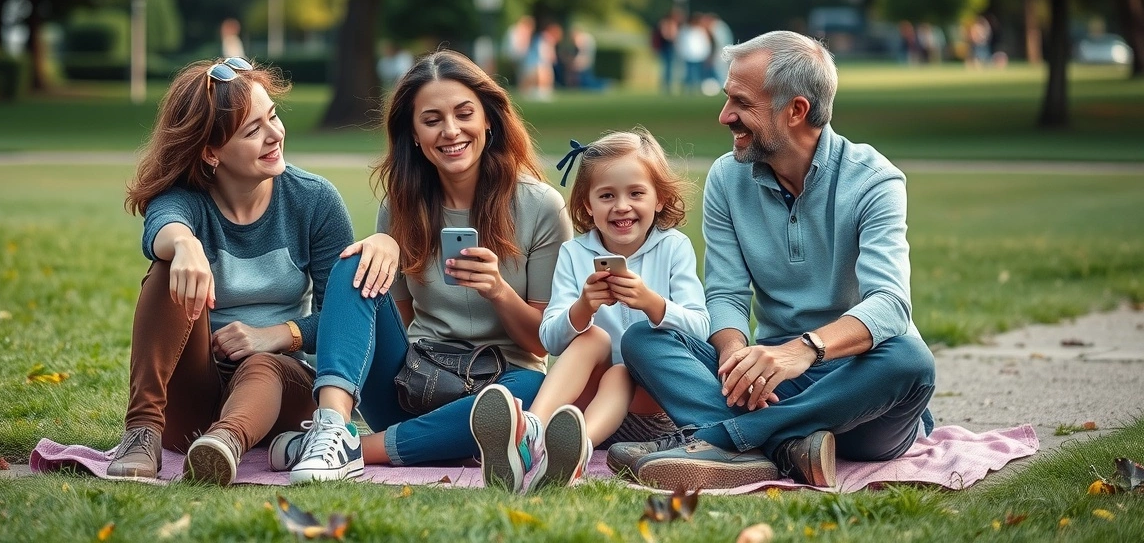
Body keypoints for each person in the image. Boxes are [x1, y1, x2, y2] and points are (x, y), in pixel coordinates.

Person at [610, 31, 936, 491]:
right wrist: (735, 357)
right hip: (768, 384)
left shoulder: (875, 181)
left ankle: (723, 440)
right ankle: (786, 449)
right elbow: (725, 292)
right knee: (645, 337)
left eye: (741, 103)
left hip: (857, 387)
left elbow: (889, 305)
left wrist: (801, 350)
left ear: (796, 110)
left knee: (911, 360)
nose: (725, 116)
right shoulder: (727, 177)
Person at [275, 49, 573, 483]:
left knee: (530, 393)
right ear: (414, 133)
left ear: (488, 119)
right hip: (413, 384)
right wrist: (381, 244)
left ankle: (356, 450)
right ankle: (333, 427)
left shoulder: (540, 206)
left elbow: (541, 344)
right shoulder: (399, 207)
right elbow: (386, 322)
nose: (450, 131)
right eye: (432, 120)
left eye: (464, 114)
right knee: (355, 263)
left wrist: (498, 291)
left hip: (500, 383)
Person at [107, 58, 399, 485]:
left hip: (282, 391)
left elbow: (340, 318)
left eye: (273, 117)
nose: (274, 135)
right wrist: (186, 245)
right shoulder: (186, 200)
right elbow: (159, 226)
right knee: (163, 268)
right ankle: (142, 430)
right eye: (252, 130)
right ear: (211, 152)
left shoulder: (313, 201)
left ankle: (223, 446)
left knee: (264, 363)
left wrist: (277, 335)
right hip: (198, 393)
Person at [469, 128, 709, 493]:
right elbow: (548, 340)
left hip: (654, 410)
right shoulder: (575, 253)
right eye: (607, 195)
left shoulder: (673, 248)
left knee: (624, 369)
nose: (622, 206)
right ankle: (531, 431)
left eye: (636, 193)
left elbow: (701, 329)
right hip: (582, 405)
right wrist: (583, 307)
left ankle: (579, 450)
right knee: (592, 336)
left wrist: (651, 302)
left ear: (659, 199)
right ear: (587, 205)